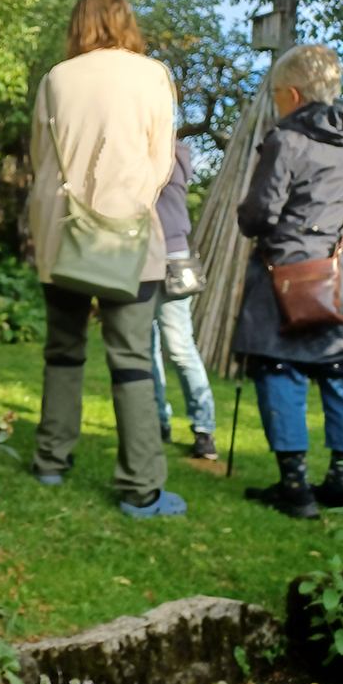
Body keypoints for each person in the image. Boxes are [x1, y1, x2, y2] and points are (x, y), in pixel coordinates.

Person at [29, 0, 185, 517]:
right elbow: (161, 163)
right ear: (125, 19)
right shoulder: (152, 74)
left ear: (80, 22)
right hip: (129, 239)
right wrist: (125, 202)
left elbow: (41, 159)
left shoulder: (56, 79)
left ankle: (50, 460)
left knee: (63, 351)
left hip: (62, 237)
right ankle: (140, 488)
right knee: (132, 359)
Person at [235, 44, 343, 519]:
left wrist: (249, 213)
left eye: (278, 94)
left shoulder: (286, 141)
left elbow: (259, 216)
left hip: (293, 282)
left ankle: (295, 488)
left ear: (295, 94)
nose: (277, 103)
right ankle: (342, 482)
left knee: (279, 368)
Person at [151, 139, 218, 459]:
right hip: (138, 253)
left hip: (170, 255)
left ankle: (204, 429)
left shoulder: (171, 150)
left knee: (179, 348)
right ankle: (156, 422)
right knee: (144, 348)